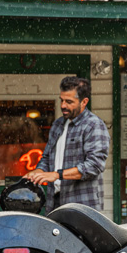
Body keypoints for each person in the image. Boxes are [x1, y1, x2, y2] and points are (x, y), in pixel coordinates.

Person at [24, 76, 110, 213]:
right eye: (62, 100)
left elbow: (95, 165)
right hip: (55, 201)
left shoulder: (94, 125)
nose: (63, 105)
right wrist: (37, 172)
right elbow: (47, 158)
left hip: (82, 205)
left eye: (69, 101)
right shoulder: (58, 124)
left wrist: (57, 175)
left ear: (84, 102)